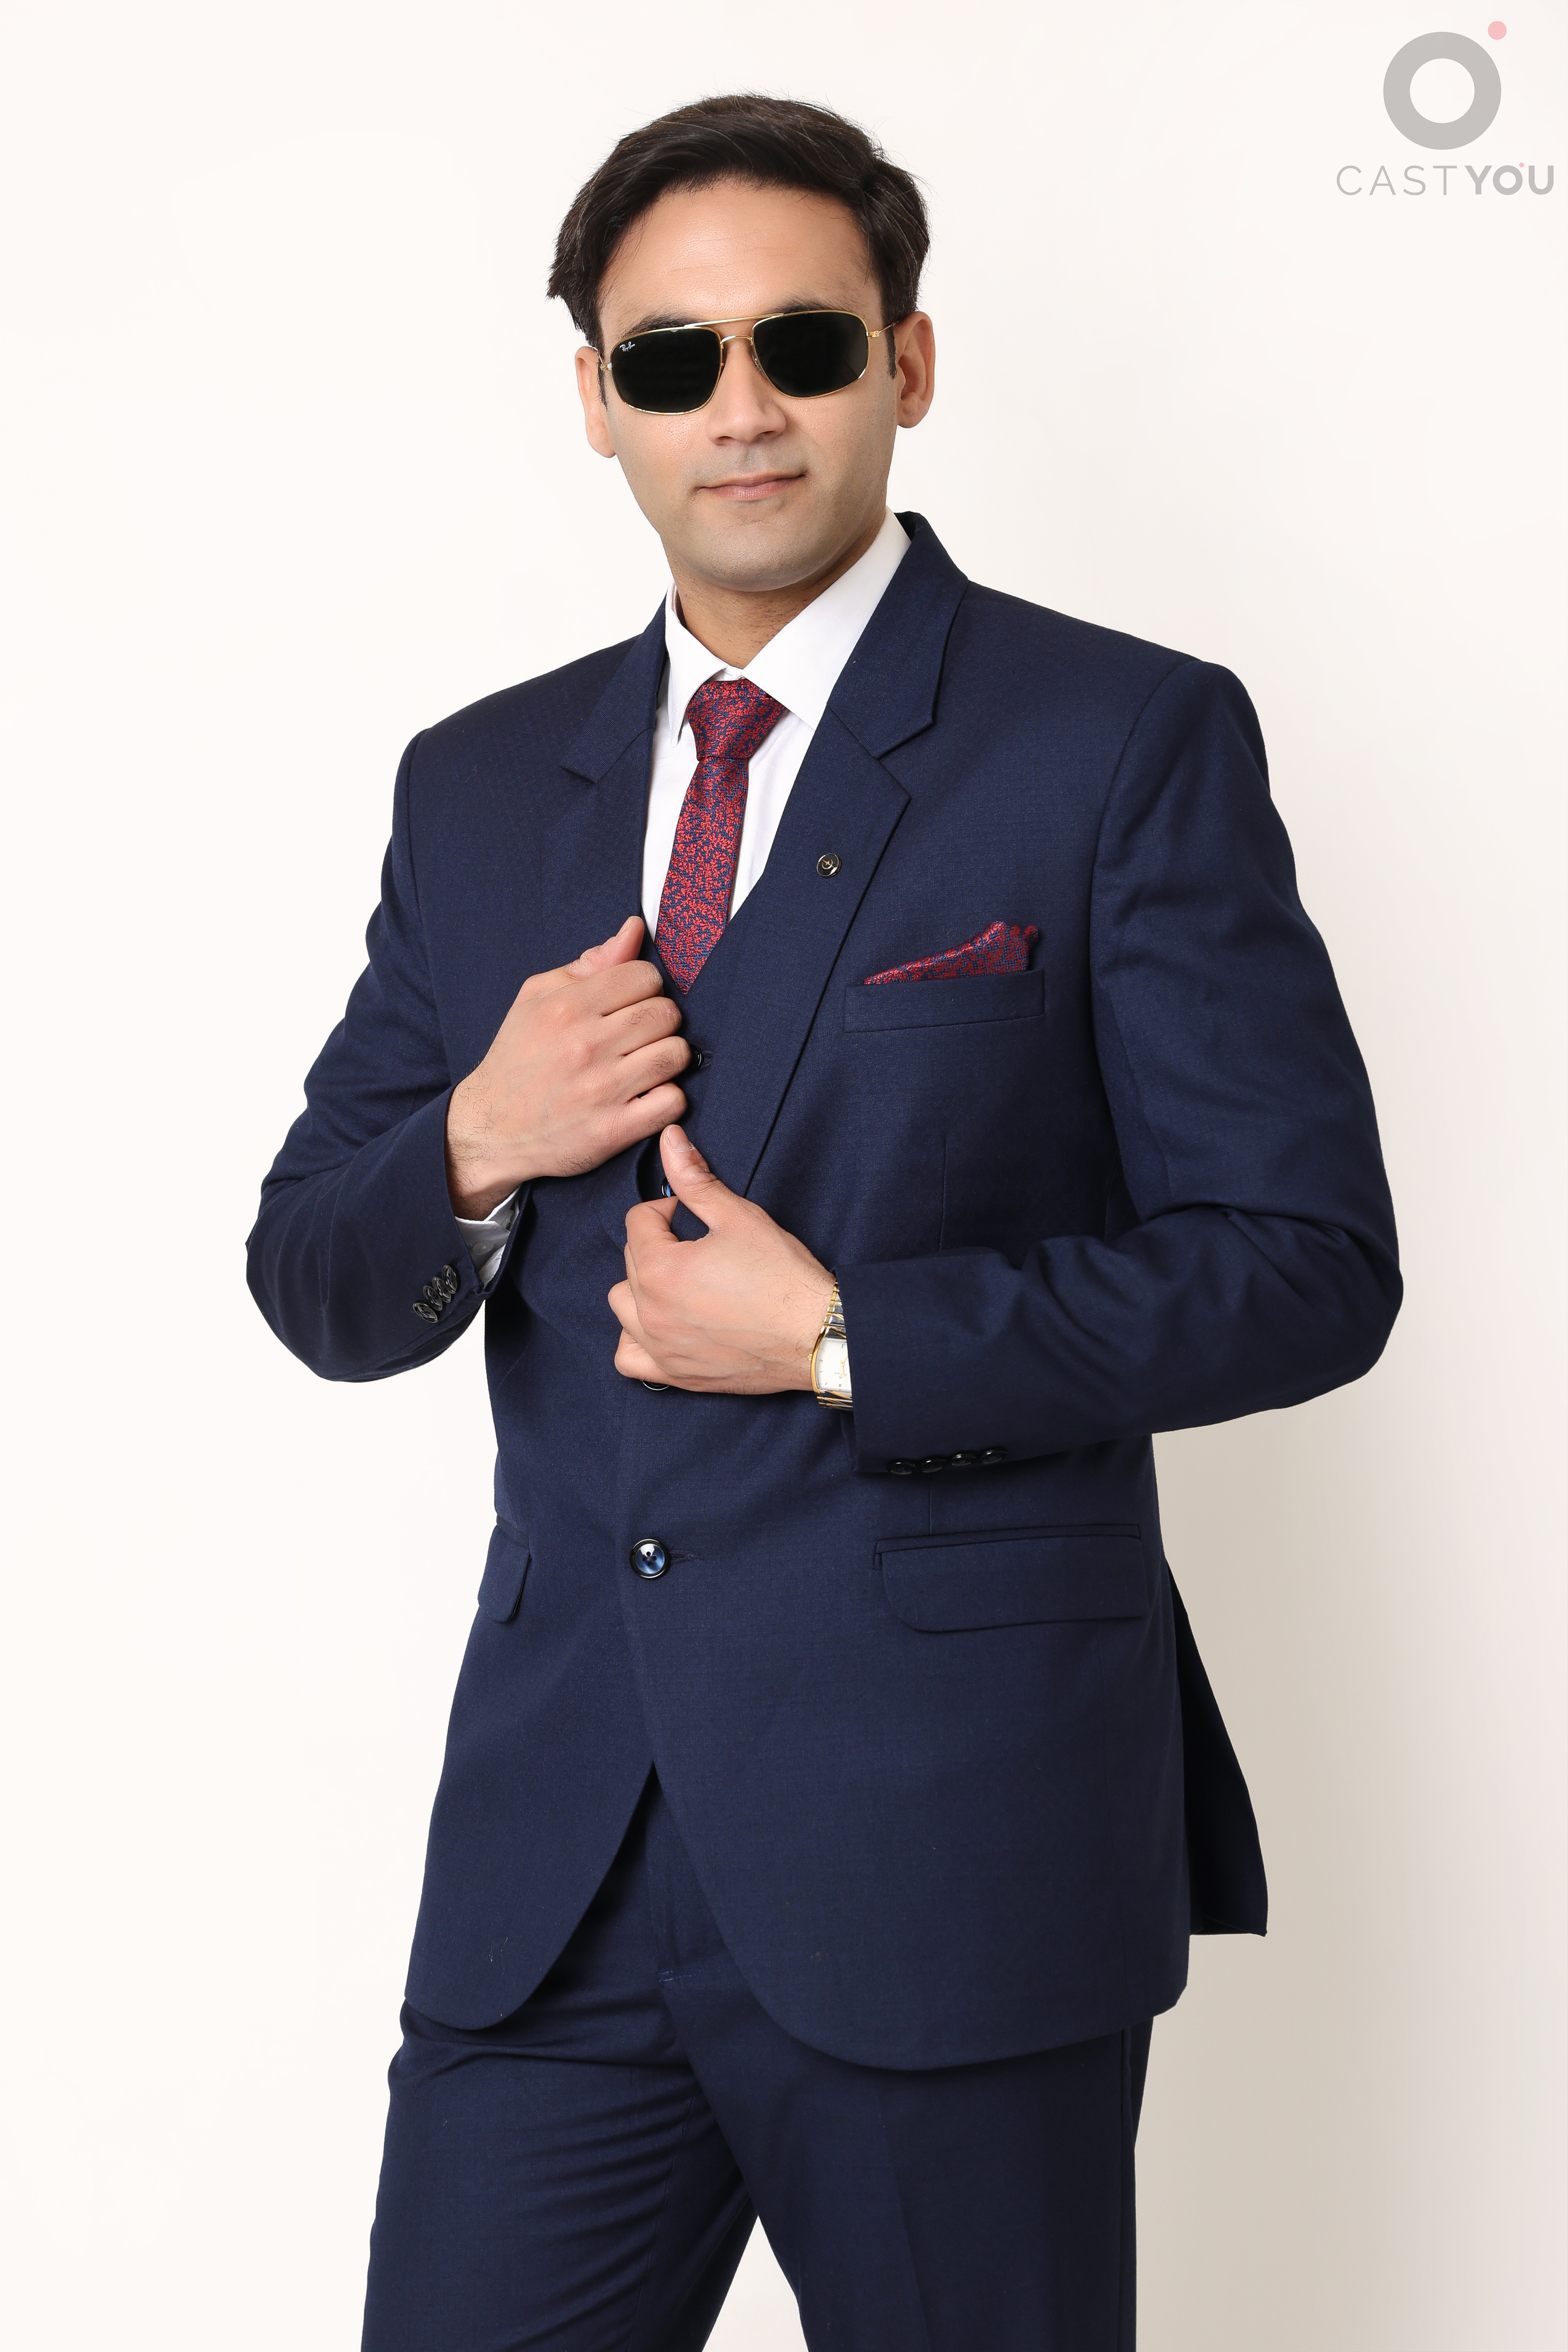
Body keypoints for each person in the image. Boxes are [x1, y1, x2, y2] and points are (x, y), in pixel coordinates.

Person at [247, 93, 1400, 2352]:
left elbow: (1306, 1265)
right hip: (556, 1871)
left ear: (909, 362)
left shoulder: (1121, 740)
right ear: (597, 399)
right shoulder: (475, 785)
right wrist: (476, 1134)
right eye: (672, 359)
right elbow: (317, 1277)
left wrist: (850, 1339)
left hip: (954, 1854)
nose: (742, 406)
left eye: (803, 341)